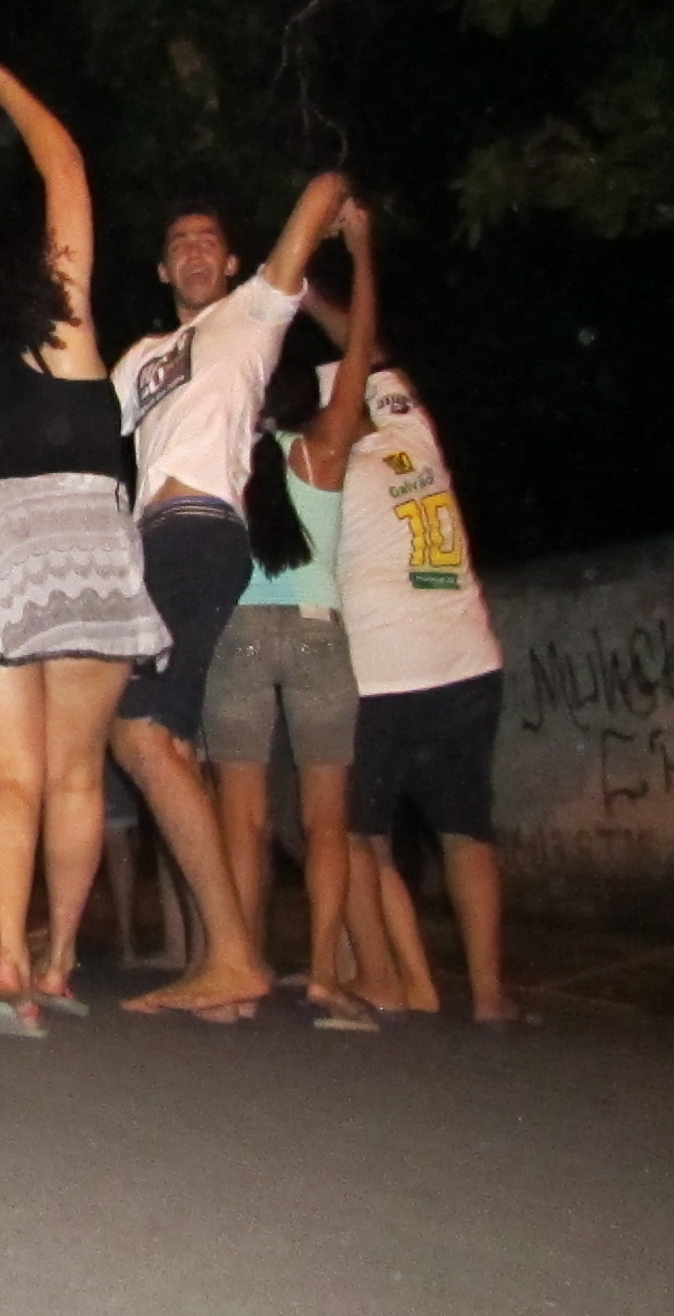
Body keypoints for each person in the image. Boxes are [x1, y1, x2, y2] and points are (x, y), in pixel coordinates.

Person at [0, 60, 167, 1036]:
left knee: (7, 775)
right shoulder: (68, 326)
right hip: (81, 539)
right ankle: (59, 962)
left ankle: (8, 955)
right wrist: (8, 90)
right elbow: (65, 168)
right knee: (75, 774)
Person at [109, 171, 350, 1020]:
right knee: (167, 746)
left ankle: (234, 958)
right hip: (147, 545)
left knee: (138, 734)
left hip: (202, 531)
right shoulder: (138, 357)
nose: (193, 251)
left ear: (234, 261)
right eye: (179, 243)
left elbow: (317, 193)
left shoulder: (252, 314)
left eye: (208, 240)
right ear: (162, 269)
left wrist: (339, 204)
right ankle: (226, 965)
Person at [308, 291, 519, 1025]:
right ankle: (475, 994)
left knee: (358, 834)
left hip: (388, 674)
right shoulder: (413, 436)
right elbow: (375, 351)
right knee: (464, 833)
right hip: (463, 660)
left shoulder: (327, 465)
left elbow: (372, 352)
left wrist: (304, 294)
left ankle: (397, 981)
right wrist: (318, 294)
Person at [201, 201, 379, 1023]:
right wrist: (361, 255)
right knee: (325, 822)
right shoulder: (326, 447)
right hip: (316, 634)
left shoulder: (225, 453)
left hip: (237, 635)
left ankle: (240, 972)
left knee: (240, 818)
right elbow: (363, 348)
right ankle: (324, 976)